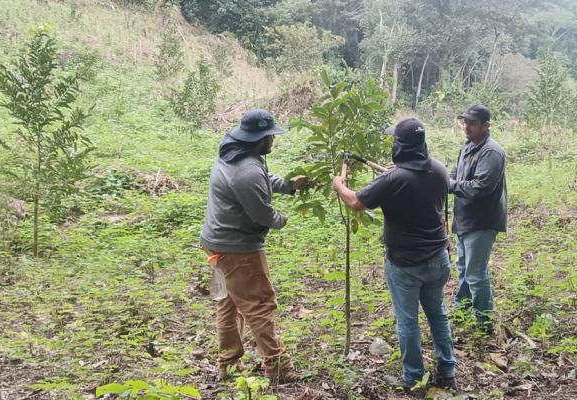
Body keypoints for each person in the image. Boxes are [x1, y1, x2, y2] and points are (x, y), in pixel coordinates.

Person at [333, 117, 456, 394]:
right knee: (437, 314)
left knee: (408, 321)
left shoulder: (393, 179)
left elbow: (355, 201)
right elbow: (415, 182)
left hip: (406, 264)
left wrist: (339, 184)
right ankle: (448, 371)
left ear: (400, 146)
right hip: (438, 258)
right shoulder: (438, 169)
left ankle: (413, 379)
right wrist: (395, 174)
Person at [199, 109, 307, 383]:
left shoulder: (235, 153)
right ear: (261, 139)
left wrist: (288, 186)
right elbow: (261, 213)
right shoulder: (247, 171)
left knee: (228, 303)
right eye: (271, 136)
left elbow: (262, 180)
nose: (273, 140)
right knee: (259, 305)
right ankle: (278, 367)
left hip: (215, 242)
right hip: (238, 249)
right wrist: (281, 220)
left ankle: (228, 363)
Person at [448, 104, 507, 334]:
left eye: (472, 123)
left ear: (486, 125)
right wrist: (445, 179)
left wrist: (451, 185)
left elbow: (481, 187)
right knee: (463, 269)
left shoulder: (491, 152)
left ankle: (485, 325)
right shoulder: (467, 146)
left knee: (475, 273)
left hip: (481, 222)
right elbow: (455, 174)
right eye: (465, 122)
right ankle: (461, 314)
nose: (466, 127)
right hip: (464, 220)